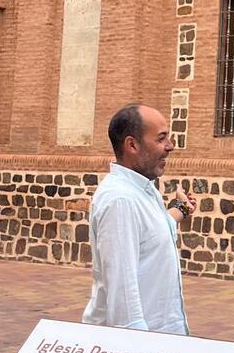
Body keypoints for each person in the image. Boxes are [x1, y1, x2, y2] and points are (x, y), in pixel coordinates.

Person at [82, 103, 195, 334]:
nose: (170, 146)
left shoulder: (142, 189)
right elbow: (123, 291)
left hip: (160, 342)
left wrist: (179, 209)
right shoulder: (120, 199)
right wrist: (137, 350)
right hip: (140, 349)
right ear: (132, 144)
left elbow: (152, 236)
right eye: (161, 138)